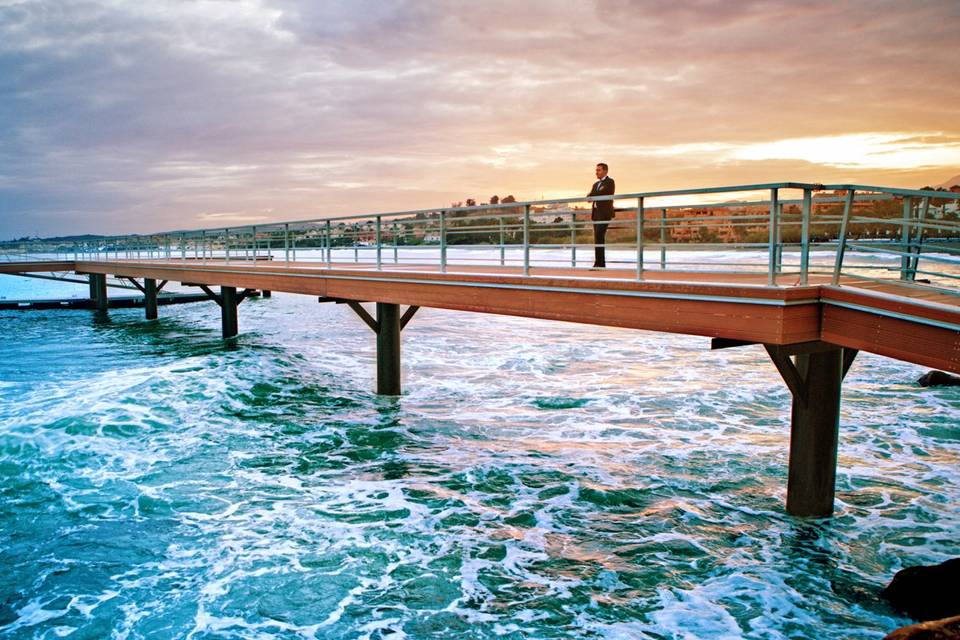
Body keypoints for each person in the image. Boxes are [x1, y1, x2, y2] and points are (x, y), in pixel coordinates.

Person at [587, 163, 615, 268]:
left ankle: (600, 263)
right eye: (596, 170)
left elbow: (604, 193)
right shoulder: (595, 184)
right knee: (597, 238)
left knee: (599, 235)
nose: (596, 172)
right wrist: (593, 195)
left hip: (604, 213)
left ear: (605, 171)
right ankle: (598, 263)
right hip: (596, 214)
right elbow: (589, 197)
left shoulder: (610, 182)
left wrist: (593, 195)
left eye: (599, 170)